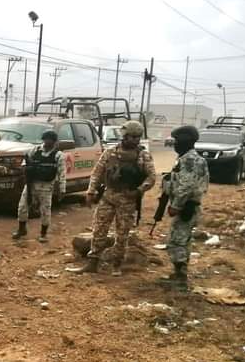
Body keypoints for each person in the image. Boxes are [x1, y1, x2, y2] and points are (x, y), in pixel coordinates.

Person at [74, 120, 156, 275]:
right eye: (132, 137)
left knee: (122, 233)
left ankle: (117, 264)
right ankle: (93, 261)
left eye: (138, 137)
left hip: (128, 199)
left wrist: (139, 190)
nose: (135, 140)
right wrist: (90, 191)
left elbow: (151, 178)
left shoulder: (143, 156)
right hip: (109, 196)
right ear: (124, 136)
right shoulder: (110, 152)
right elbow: (97, 172)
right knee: (99, 229)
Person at [162, 125, 209, 289]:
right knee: (182, 239)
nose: (174, 144)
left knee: (177, 241)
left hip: (186, 206)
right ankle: (178, 274)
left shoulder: (190, 160)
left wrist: (176, 205)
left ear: (184, 141)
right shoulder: (188, 158)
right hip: (188, 205)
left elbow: (186, 186)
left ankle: (180, 278)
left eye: (176, 141)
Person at [12, 130, 66, 243]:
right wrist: (27, 170)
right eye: (46, 140)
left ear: (55, 142)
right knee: (22, 207)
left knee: (45, 210)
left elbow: (62, 173)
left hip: (46, 186)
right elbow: (24, 164)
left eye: (50, 140)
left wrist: (62, 189)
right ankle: (21, 229)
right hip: (31, 184)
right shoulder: (34, 150)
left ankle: (43, 234)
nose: (48, 142)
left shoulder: (58, 155)